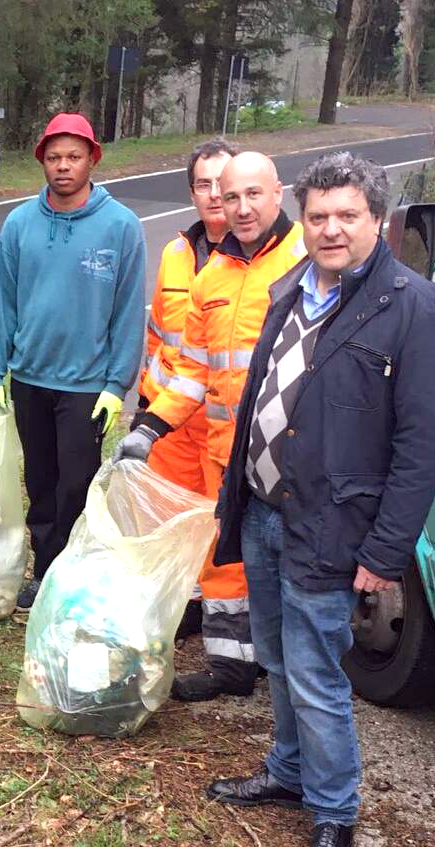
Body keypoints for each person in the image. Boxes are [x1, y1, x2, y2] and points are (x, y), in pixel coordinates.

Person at [204, 153, 435, 847]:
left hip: (331, 527)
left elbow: (424, 445)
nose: (331, 229)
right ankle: (288, 771)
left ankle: (334, 813)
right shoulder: (292, 288)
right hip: (264, 510)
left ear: (377, 220)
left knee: (316, 673)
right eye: (317, 216)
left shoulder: (414, 309)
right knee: (277, 658)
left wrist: (385, 551)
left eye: (347, 215)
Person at [116, 151, 306, 701]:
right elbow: (193, 373)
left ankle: (290, 674)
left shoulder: (304, 260)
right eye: (231, 197)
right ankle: (231, 665)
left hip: (288, 458)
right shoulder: (212, 275)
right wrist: (149, 428)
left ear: (278, 193)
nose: (242, 208)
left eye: (253, 195)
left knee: (286, 571)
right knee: (224, 558)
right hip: (226, 452)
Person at [0, 112, 146, 610]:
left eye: (74, 156)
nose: (64, 166)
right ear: (42, 162)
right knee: (41, 482)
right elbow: (1, 301)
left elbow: (128, 311)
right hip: (31, 377)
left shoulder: (121, 227)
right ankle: (46, 572)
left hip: (86, 385)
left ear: (92, 159)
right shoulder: (20, 224)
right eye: (54, 157)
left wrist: (116, 385)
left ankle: (74, 573)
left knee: (76, 486)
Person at [136, 139, 238, 638]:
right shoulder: (175, 254)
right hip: (171, 418)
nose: (214, 194)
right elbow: (158, 332)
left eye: (223, 184)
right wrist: (146, 403)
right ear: (192, 193)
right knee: (171, 519)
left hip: (223, 423)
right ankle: (184, 606)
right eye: (203, 184)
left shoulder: (260, 258)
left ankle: (229, 634)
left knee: (220, 528)